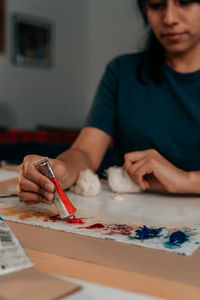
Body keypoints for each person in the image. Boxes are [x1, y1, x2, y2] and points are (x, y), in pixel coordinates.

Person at [18, 0, 200, 205]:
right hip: (131, 218)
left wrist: (187, 180)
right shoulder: (122, 72)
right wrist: (63, 169)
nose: (169, 19)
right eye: (156, 6)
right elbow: (86, 152)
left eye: (184, 2)